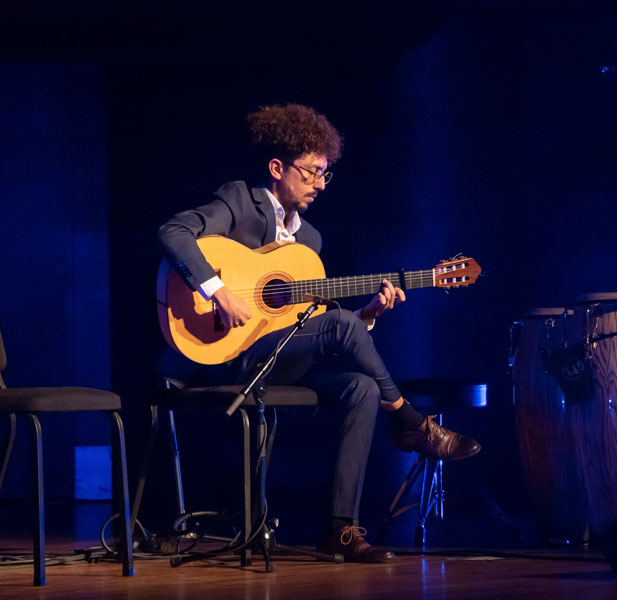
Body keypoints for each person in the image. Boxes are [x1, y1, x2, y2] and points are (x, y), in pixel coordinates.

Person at [158, 103, 480, 563]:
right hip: (231, 355)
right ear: (277, 168)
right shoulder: (238, 201)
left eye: (325, 175)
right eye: (311, 173)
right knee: (345, 329)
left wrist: (367, 314)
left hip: (285, 360)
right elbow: (174, 232)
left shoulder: (310, 241)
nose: (319, 185)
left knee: (362, 388)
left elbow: (315, 324)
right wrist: (218, 291)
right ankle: (409, 422)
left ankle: (338, 529)